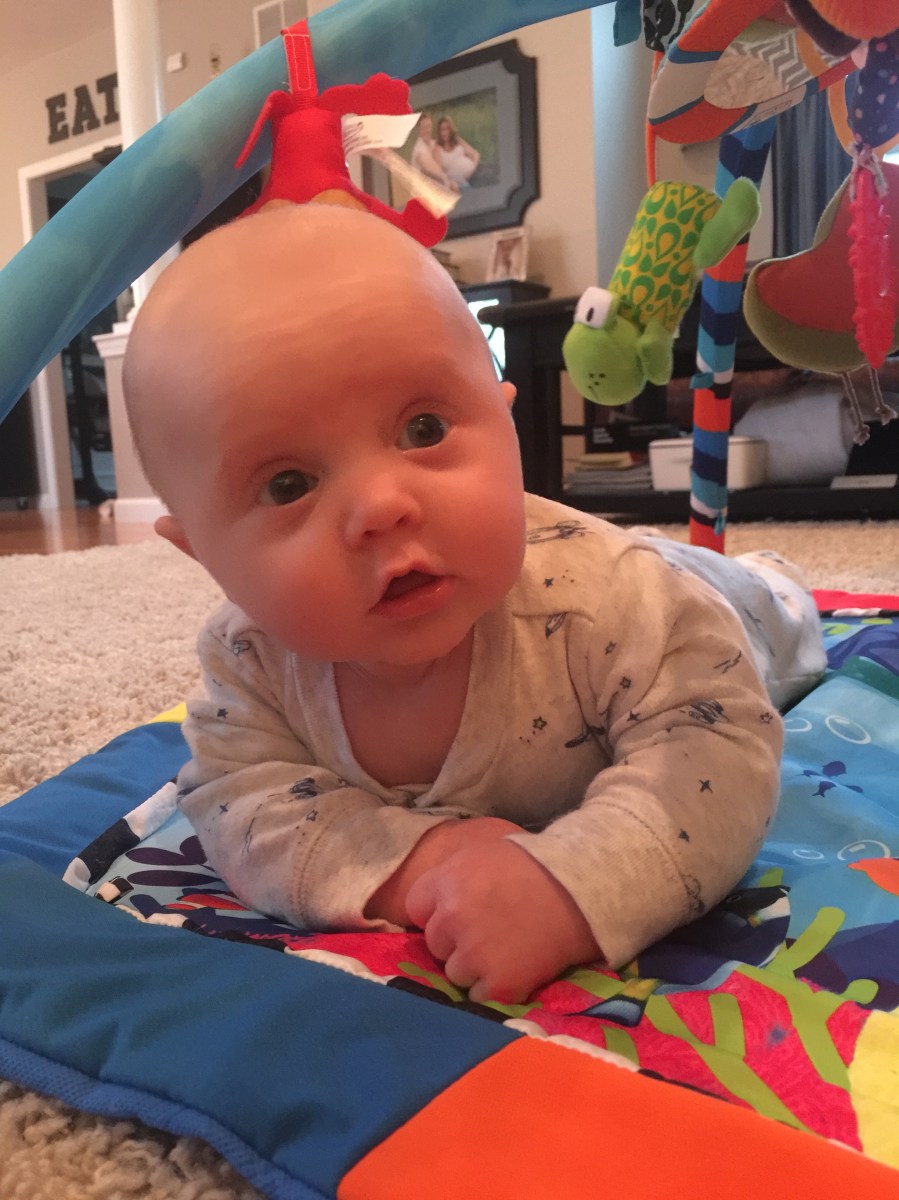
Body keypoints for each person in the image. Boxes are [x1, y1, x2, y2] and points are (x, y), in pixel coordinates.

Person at [122, 204, 826, 1005]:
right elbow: (239, 802)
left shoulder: (613, 599)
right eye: (288, 484)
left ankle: (767, 577)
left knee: (765, 601)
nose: (381, 505)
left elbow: (713, 747)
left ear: (504, 420)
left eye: (423, 429)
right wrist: (418, 861)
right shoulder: (252, 661)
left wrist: (574, 886)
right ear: (200, 552)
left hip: (730, 616)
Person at [409, 111, 457, 191]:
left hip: (437, 187)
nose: (427, 130)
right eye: (424, 127)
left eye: (429, 126)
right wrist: (445, 179)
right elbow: (428, 164)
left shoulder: (433, 144)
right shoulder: (418, 149)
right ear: (418, 129)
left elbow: (441, 167)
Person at [434, 115, 480, 189]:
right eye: (442, 130)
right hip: (454, 183)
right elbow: (440, 173)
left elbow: (475, 154)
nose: (445, 132)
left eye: (447, 129)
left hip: (469, 178)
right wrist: (451, 183)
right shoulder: (437, 149)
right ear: (439, 132)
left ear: (451, 129)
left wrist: (471, 169)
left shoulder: (457, 141)